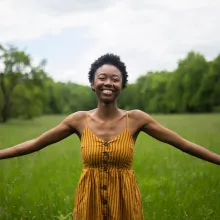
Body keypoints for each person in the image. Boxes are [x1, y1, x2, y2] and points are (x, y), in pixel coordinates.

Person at [0, 53, 219, 220]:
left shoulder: (136, 119)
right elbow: (36, 144)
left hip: (125, 204)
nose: (108, 83)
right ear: (92, 83)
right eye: (102, 77)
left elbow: (184, 145)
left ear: (122, 85)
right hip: (89, 204)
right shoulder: (78, 120)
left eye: (115, 79)